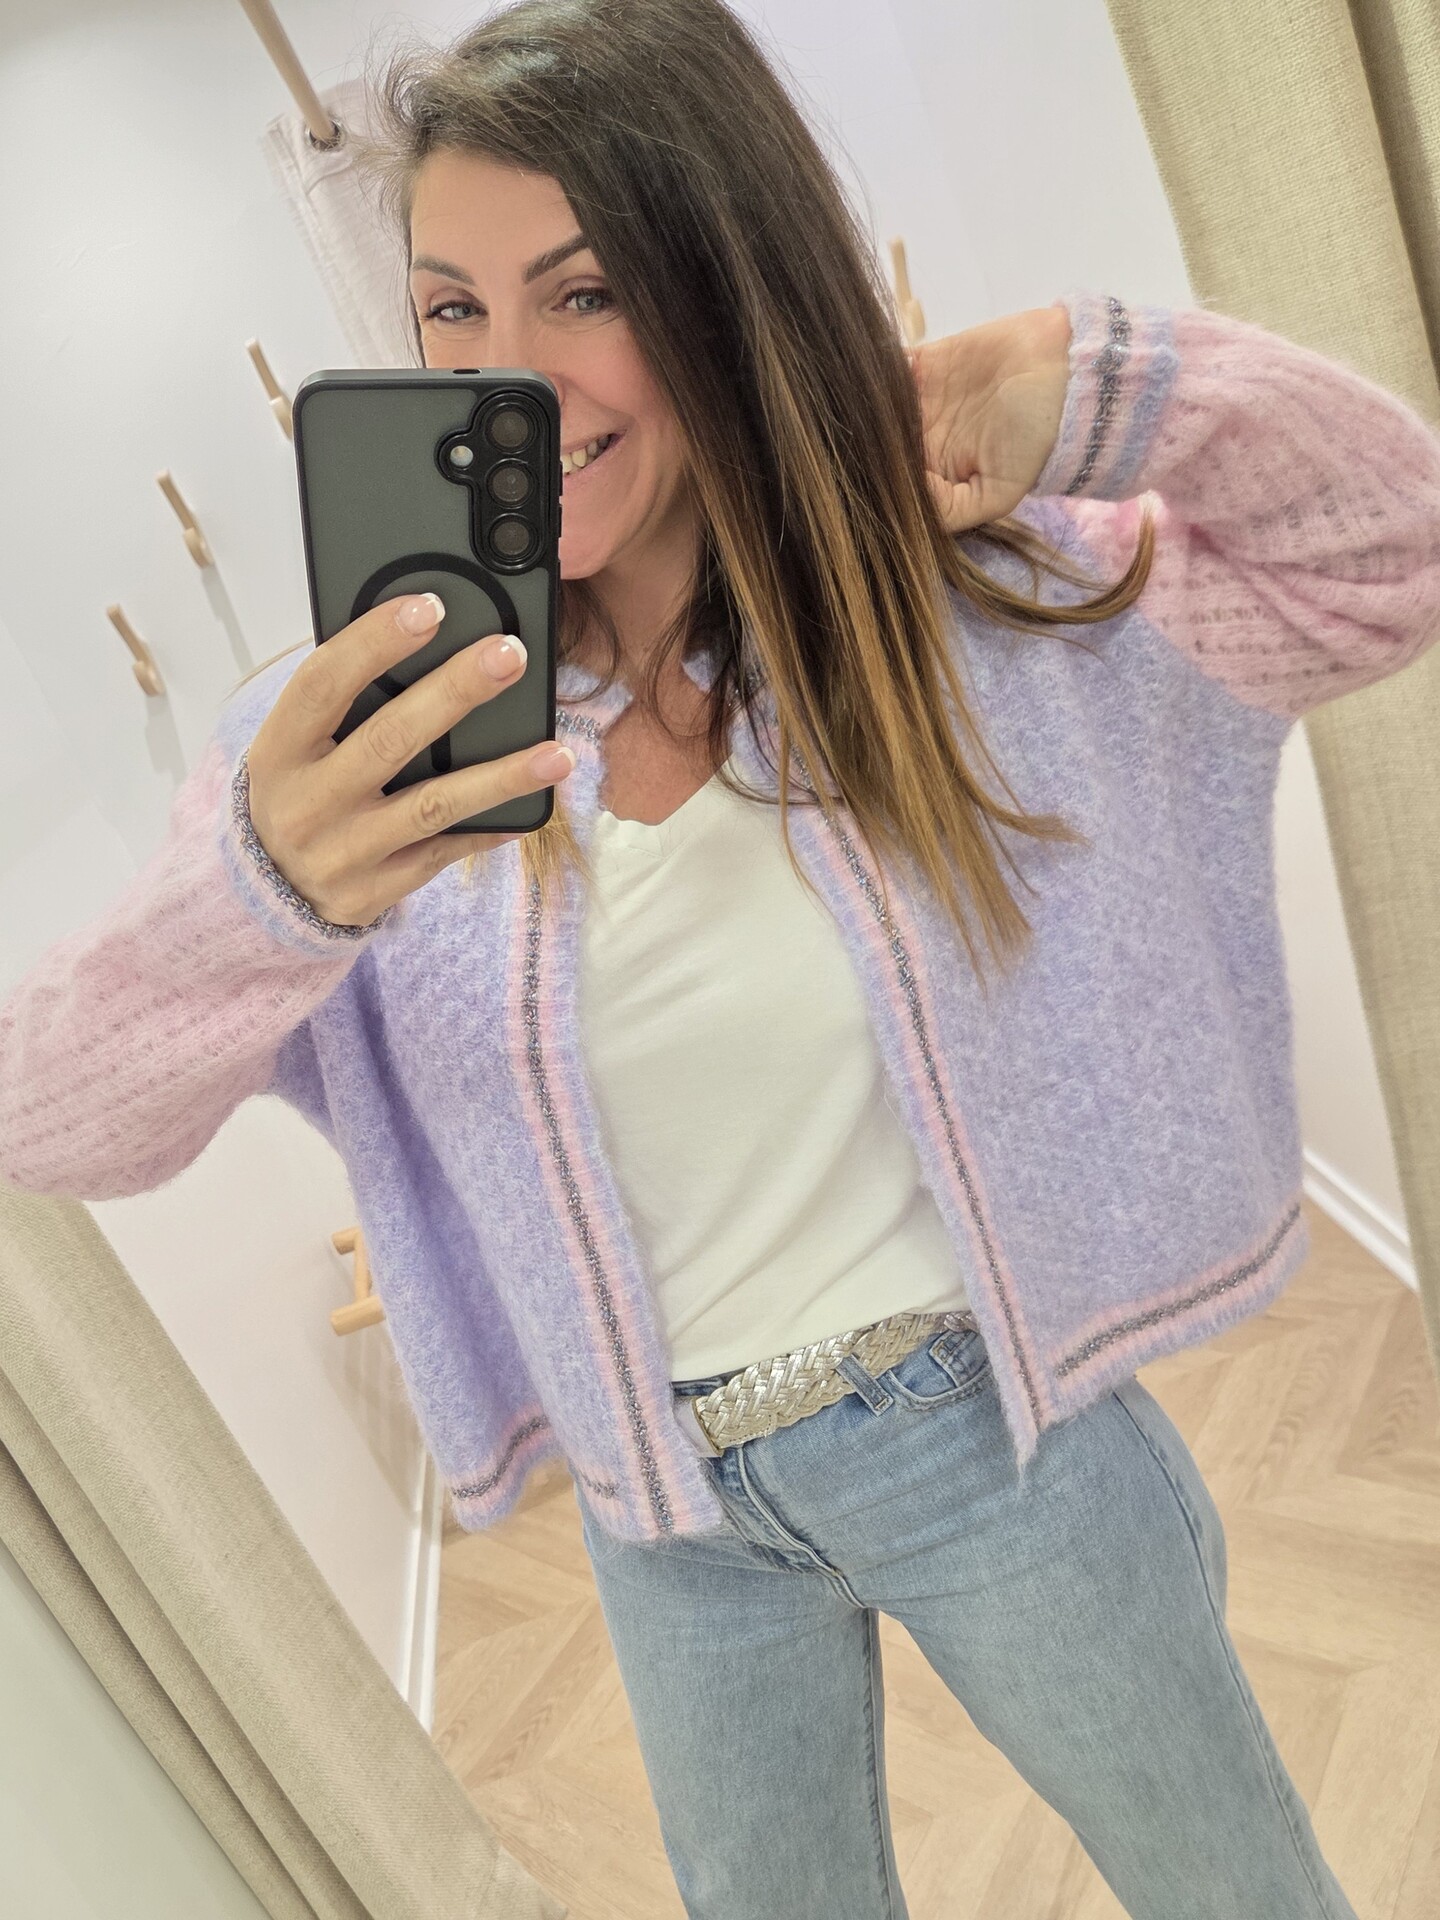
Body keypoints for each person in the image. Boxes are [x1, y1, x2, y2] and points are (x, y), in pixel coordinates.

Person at [5, 1, 1439, 1914]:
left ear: (727, 282)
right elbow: (47, 1119)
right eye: (451, 310)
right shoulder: (347, 750)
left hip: (997, 1439)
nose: (508, 379)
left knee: (1235, 1889)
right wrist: (265, 890)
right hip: (668, 1523)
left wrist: (1095, 378)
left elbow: (1389, 556)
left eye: (585, 291)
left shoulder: (974, 623)